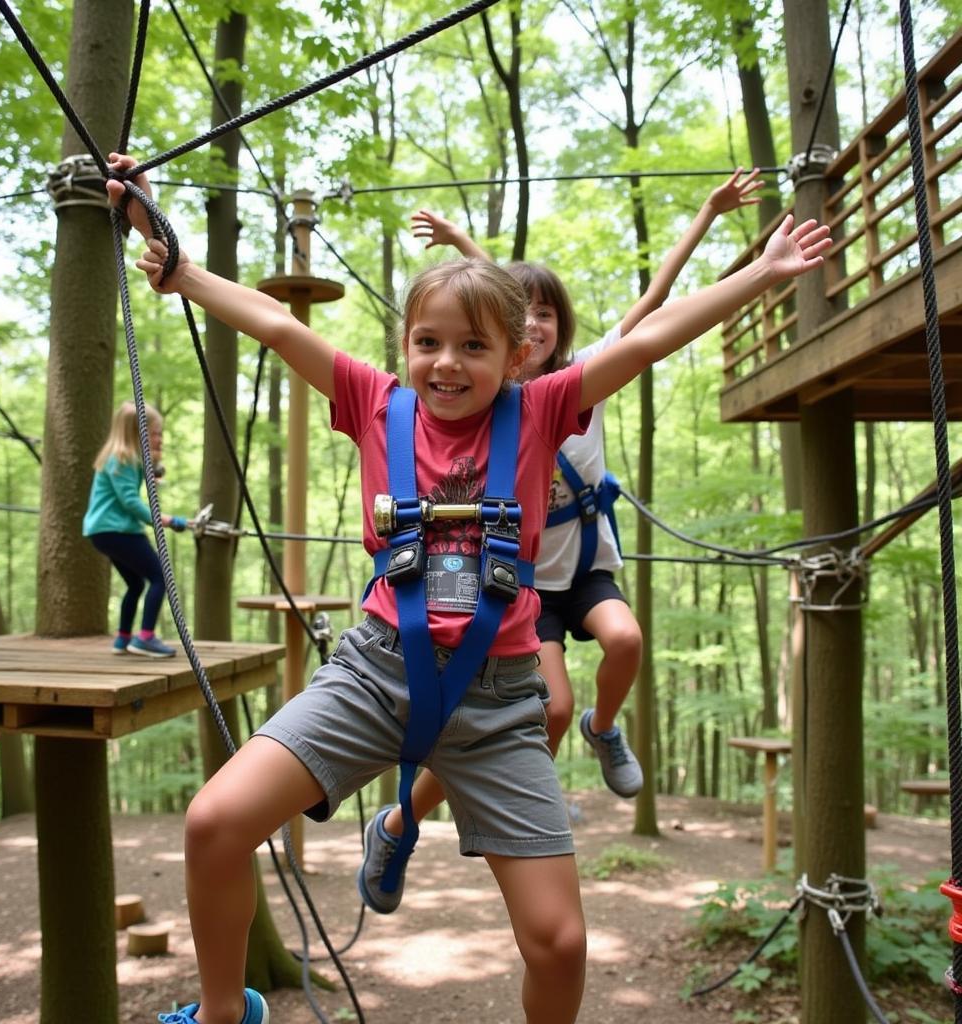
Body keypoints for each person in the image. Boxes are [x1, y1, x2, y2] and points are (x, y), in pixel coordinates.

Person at [107, 151, 828, 1024]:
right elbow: (276, 325)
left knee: (559, 942)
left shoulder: (544, 409)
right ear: (405, 344)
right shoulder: (375, 404)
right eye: (428, 343)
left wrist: (760, 273)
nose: (447, 364)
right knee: (214, 822)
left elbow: (646, 338)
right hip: (375, 672)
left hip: (498, 699)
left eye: (473, 347)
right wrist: (176, 261)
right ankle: (226, 1013)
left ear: (515, 354)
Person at [358, 170, 764, 914]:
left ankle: (602, 731)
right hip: (519, 590)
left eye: (546, 316)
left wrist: (708, 217)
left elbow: (656, 310)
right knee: (540, 709)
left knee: (627, 641)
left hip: (581, 568)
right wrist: (456, 245)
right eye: (527, 316)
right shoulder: (489, 396)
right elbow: (484, 306)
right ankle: (435, 815)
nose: (536, 327)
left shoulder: (578, 384)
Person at [82, 400, 188, 658]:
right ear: (136, 432)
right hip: (117, 530)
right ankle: (146, 638)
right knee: (160, 577)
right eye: (154, 433)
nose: (159, 438)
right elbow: (129, 501)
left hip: (103, 532)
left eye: (160, 433)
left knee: (135, 583)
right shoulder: (124, 458)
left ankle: (123, 638)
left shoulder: (121, 458)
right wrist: (166, 519)